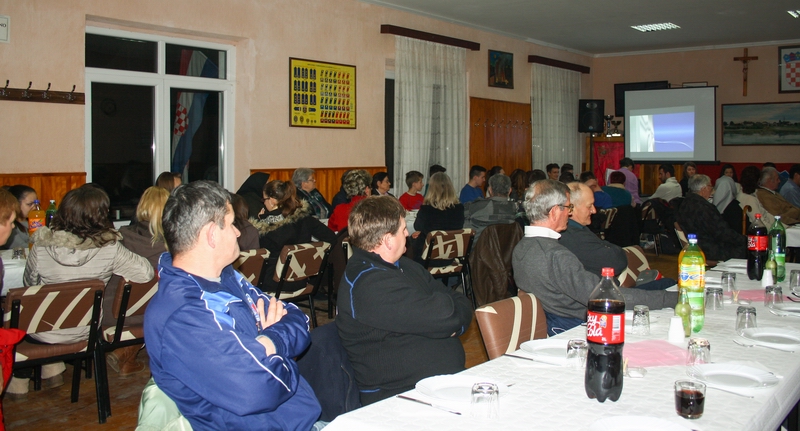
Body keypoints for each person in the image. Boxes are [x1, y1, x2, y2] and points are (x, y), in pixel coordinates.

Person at [144, 181, 321, 430]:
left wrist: (269, 343)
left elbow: (297, 317)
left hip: (297, 420)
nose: (238, 232)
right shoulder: (183, 315)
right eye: (230, 224)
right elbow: (260, 389)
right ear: (211, 235)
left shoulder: (226, 277)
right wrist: (282, 349)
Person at [13, 185, 153, 396]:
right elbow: (146, 273)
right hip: (87, 331)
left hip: (42, 332)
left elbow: (29, 285)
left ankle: (21, 381)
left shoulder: (41, 246)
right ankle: (52, 368)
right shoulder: (109, 248)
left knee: (14, 315)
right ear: (101, 215)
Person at [336, 196, 473, 405]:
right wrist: (450, 321)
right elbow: (447, 315)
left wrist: (451, 321)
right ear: (387, 240)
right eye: (402, 229)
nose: (408, 234)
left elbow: (459, 302)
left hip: (434, 387)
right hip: (397, 397)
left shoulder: (405, 266)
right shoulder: (367, 283)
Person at [512, 180, 677, 335]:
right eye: (568, 207)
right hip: (579, 325)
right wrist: (673, 299)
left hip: (557, 318)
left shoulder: (521, 247)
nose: (570, 213)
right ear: (555, 211)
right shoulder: (556, 255)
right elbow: (605, 296)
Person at [108, 186, 170, 377]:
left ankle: (127, 354)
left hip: (113, 312)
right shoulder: (173, 248)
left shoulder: (120, 238)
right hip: (149, 313)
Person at [252, 180, 335, 292]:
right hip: (302, 280)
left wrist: (262, 220)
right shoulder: (304, 218)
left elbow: (258, 255)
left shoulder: (265, 228)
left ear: (272, 200)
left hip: (274, 283)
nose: (264, 203)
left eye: (264, 200)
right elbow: (331, 238)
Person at [559, 182, 627, 277]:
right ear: (571, 208)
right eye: (589, 206)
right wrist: (616, 250)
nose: (594, 210)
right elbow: (617, 262)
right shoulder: (573, 237)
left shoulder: (577, 228)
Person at [676, 174, 747, 261]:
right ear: (704, 189)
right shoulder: (704, 207)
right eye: (710, 186)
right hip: (710, 250)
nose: (712, 189)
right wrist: (745, 240)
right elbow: (721, 232)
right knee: (746, 248)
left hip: (696, 246)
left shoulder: (684, 204)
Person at [413, 172, 465, 260]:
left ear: (431, 189)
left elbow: (417, 226)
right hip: (451, 254)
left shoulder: (426, 209)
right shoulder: (459, 208)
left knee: (411, 240)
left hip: (428, 257)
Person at [463, 173, 517, 241]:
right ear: (510, 191)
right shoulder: (515, 210)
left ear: (490, 190)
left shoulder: (478, 207)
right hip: (507, 247)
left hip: (479, 246)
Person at [0, 184, 37, 250]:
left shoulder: (31, 222)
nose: (34, 207)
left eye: (36, 203)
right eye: (29, 204)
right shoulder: (12, 228)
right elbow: (22, 247)